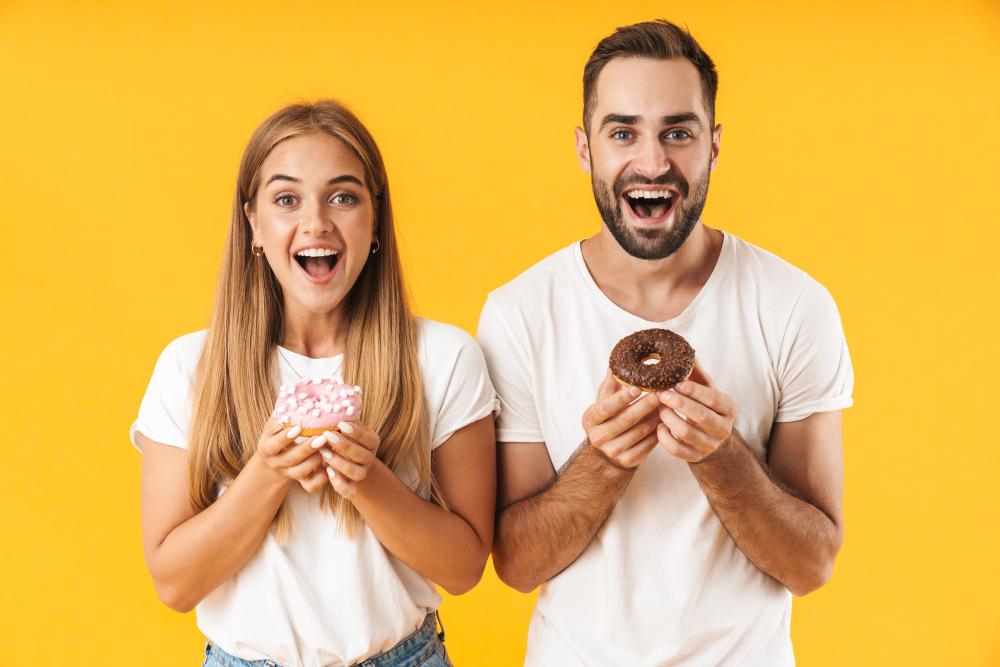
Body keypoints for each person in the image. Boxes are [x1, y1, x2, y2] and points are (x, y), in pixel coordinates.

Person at [478, 20, 853, 666]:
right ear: (584, 149)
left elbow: (812, 561)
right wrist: (604, 461)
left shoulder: (795, 306)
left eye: (677, 132)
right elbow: (515, 561)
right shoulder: (518, 314)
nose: (652, 163)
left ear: (713, 146)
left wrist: (721, 457)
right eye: (622, 132)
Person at [132, 100, 497, 667]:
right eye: (286, 199)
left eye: (344, 197)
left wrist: (367, 481)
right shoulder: (189, 368)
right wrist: (269, 473)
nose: (317, 222)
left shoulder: (444, 358)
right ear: (253, 223)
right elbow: (174, 586)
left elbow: (465, 568)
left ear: (375, 220)